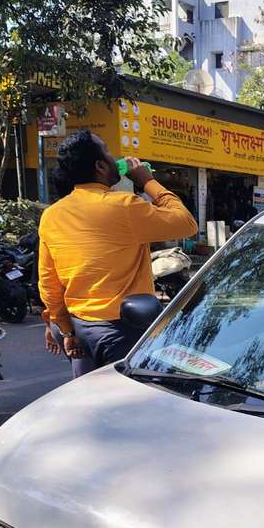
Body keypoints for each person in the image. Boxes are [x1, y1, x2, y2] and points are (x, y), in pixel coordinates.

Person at [38, 129, 198, 368]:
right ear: (101, 167)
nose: (115, 158)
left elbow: (48, 283)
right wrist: (147, 181)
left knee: (89, 400)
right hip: (120, 332)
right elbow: (186, 223)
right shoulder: (123, 206)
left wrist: (65, 331)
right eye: (108, 152)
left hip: (80, 328)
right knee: (129, 402)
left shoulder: (52, 215)